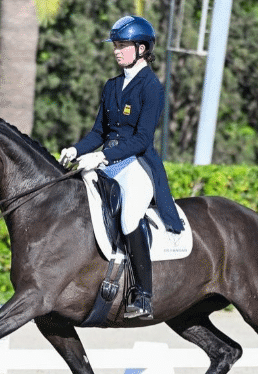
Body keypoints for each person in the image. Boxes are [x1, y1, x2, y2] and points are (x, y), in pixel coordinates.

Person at [58, 15, 183, 320]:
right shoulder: (112, 85)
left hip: (136, 165)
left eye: (123, 45)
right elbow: (99, 133)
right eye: (115, 44)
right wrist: (76, 149)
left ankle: (143, 294)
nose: (117, 50)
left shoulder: (151, 87)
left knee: (129, 218)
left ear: (141, 48)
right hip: (109, 163)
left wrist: (102, 157)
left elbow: (141, 139)